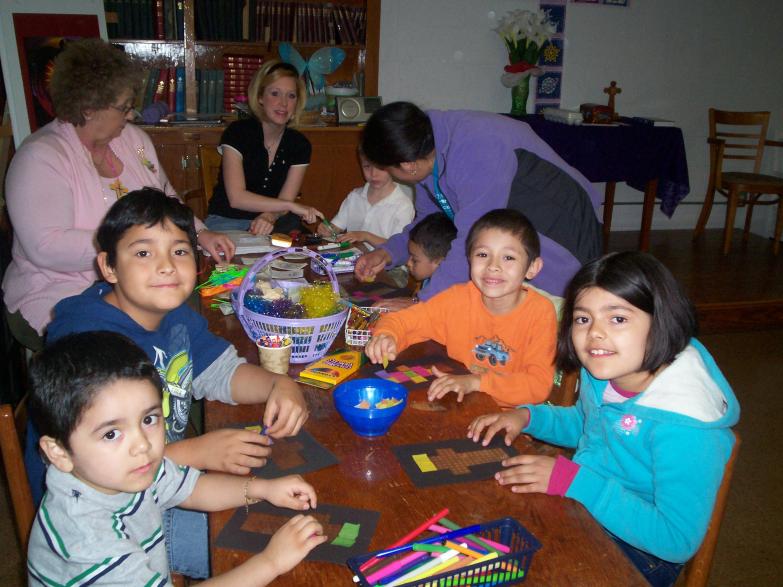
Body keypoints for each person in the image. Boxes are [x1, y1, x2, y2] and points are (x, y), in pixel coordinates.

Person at [44, 188, 309, 578]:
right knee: (265, 546)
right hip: (119, 510)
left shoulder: (174, 316)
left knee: (284, 505)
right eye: (144, 252)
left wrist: (278, 385)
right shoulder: (87, 344)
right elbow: (99, 462)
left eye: (180, 251)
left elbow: (220, 372)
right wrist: (197, 453)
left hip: (161, 481)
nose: (167, 266)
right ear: (109, 266)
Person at [467, 251, 740, 587]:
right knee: (481, 524)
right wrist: (527, 416)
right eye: (583, 319)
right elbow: (587, 427)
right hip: (586, 505)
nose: (595, 333)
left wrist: (576, 483)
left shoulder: (686, 426)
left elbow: (676, 541)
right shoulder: (606, 373)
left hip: (640, 551)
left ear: (663, 321)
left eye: (618, 319)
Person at [27, 330, 326, 586]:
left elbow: (191, 488)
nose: (142, 444)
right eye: (110, 434)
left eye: (149, 419)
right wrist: (271, 562)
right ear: (59, 453)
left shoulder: (118, 468)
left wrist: (262, 489)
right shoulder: (87, 541)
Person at [1, 38, 233, 351]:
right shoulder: (40, 157)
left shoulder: (135, 141)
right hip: (60, 291)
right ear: (89, 108)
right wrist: (133, 246)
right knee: (125, 353)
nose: (131, 115)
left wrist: (201, 232)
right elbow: (46, 247)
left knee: (208, 315)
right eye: (123, 107)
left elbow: (165, 199)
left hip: (138, 281)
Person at [354, 101, 602, 303]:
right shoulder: (425, 150)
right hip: (512, 229)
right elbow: (427, 224)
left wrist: (422, 304)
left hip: (562, 229)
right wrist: (388, 252)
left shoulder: (477, 147)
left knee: (550, 316)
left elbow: (473, 242)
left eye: (387, 169)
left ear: (408, 165)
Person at [366, 209, 556, 408]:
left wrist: (476, 382)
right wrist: (387, 335)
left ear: (533, 267)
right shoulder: (457, 299)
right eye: (483, 254)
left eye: (508, 257)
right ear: (469, 259)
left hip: (507, 415)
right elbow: (406, 321)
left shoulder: (540, 313)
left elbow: (537, 386)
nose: (493, 266)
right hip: (459, 404)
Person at [206, 60, 324, 235]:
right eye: (275, 93)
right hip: (227, 222)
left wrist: (269, 216)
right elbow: (237, 198)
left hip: (273, 223)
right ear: (260, 97)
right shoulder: (238, 132)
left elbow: (285, 199)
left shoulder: (300, 144)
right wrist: (291, 206)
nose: (283, 103)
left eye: (291, 96)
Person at [316, 149, 414, 246]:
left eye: (381, 167)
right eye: (367, 166)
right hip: (354, 258)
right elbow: (337, 227)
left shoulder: (403, 205)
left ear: (393, 167)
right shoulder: (354, 196)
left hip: (384, 261)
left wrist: (366, 236)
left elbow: (398, 247)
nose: (373, 174)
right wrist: (328, 229)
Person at [382, 212, 457, 312]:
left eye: (415, 260)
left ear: (439, 262)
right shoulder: (429, 281)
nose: (408, 263)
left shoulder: (445, 295)